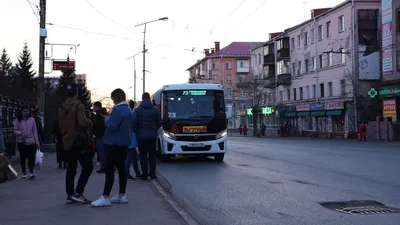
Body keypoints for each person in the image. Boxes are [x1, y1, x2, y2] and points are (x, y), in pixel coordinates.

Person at [91, 88, 133, 207]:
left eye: (113, 98)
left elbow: (112, 126)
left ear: (116, 97)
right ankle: (121, 195)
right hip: (124, 143)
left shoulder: (118, 109)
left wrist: (106, 119)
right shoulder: (128, 109)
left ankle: (105, 196)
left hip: (114, 143)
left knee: (109, 169)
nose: (112, 101)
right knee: (121, 169)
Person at [59, 82, 93, 204]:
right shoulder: (79, 105)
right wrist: (89, 121)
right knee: (88, 167)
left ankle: (70, 194)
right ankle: (78, 193)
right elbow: (82, 123)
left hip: (67, 140)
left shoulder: (62, 107)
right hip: (78, 140)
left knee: (71, 168)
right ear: (76, 93)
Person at [133, 92, 162, 180]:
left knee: (143, 155)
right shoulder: (155, 110)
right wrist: (154, 129)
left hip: (141, 137)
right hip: (152, 136)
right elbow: (160, 122)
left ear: (142, 99)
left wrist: (138, 131)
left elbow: (134, 124)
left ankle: (145, 174)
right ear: (149, 98)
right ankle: (152, 173)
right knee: (152, 156)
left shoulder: (137, 110)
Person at [14, 105, 40, 180]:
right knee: (23, 157)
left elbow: (34, 131)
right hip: (21, 141)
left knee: (31, 157)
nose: (25, 113)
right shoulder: (18, 120)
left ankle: (31, 172)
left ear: (29, 112)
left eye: (27, 111)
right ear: (21, 112)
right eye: (24, 111)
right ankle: (24, 173)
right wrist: (20, 133)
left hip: (31, 141)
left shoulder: (32, 120)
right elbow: (15, 130)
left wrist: (37, 142)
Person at [126, 100, 141, 179]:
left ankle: (137, 172)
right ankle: (127, 174)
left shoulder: (128, 113)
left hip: (129, 138)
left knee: (133, 157)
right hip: (132, 139)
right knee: (129, 157)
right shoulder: (132, 114)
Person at [92, 101, 108, 173]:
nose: (93, 108)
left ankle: (104, 166)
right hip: (105, 135)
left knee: (101, 152)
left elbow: (96, 125)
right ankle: (108, 166)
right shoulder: (104, 113)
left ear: (97, 107)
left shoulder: (98, 114)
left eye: (94, 106)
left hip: (100, 135)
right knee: (106, 151)